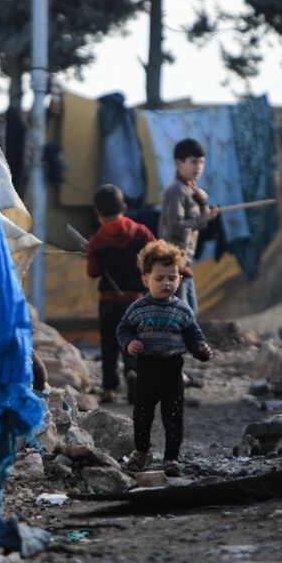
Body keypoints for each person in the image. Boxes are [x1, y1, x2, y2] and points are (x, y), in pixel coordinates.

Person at [116, 240, 214, 477]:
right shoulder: (137, 308)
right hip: (147, 368)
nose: (166, 283)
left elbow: (193, 334)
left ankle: (171, 458)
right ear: (145, 280)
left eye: (171, 278)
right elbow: (123, 329)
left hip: (172, 369)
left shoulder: (182, 310)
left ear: (179, 279)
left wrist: (201, 349)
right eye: (159, 278)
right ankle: (141, 451)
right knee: (142, 414)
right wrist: (130, 343)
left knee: (173, 416)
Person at [86, 184, 156, 404]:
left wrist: (92, 255)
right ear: (124, 207)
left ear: (98, 214)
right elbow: (156, 253)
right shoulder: (140, 232)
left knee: (109, 344)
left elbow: (93, 272)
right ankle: (132, 372)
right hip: (135, 300)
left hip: (108, 301)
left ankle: (108, 389)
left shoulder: (97, 240)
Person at [158, 138, 219, 316]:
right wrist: (203, 218)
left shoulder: (191, 190)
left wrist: (204, 206)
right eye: (193, 161)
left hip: (186, 260)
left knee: (190, 310)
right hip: (173, 262)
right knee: (183, 311)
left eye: (201, 162)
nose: (198, 167)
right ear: (179, 163)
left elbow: (197, 219)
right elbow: (176, 227)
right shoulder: (177, 190)